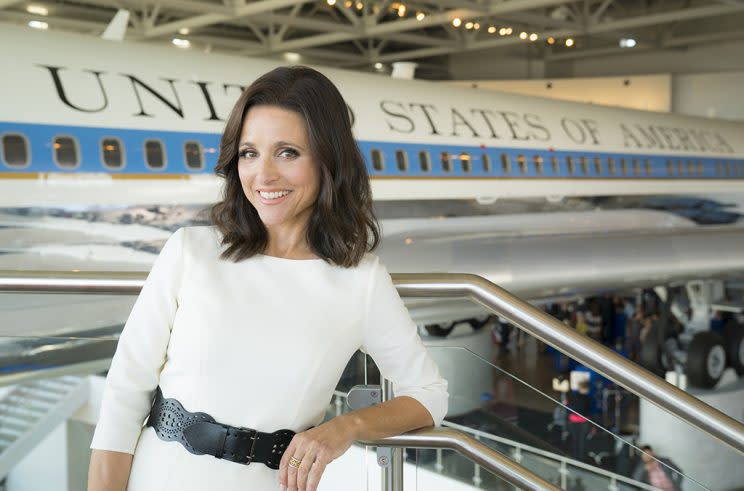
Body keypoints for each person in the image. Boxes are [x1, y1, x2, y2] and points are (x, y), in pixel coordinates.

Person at [87, 66, 449, 491]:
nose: (264, 176)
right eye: (249, 153)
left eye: (288, 152)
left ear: (328, 159)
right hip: (160, 475)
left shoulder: (360, 280)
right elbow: (125, 396)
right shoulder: (191, 251)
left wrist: (344, 428)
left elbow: (429, 393)